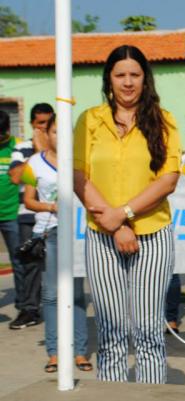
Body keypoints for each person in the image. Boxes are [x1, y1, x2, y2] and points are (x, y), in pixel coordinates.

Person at [73, 45, 182, 383]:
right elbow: (79, 176)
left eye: (135, 75)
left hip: (152, 234)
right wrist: (114, 223)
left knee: (149, 329)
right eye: (120, 75)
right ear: (109, 79)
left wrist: (124, 214)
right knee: (111, 330)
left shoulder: (163, 121)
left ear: (145, 80)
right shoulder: (90, 119)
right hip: (102, 235)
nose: (128, 82)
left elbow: (168, 179)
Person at [21, 115, 91, 373]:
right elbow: (29, 201)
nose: (60, 137)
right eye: (55, 132)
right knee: (51, 294)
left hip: (77, 232)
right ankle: (54, 352)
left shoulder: (81, 163)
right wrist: (51, 206)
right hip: (49, 231)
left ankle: (80, 351)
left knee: (76, 293)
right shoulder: (33, 165)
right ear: (46, 134)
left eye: (65, 132)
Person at [7, 103, 54, 330]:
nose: (44, 129)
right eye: (40, 124)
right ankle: (29, 310)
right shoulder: (23, 148)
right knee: (29, 262)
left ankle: (61, 305)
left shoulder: (63, 148)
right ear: (32, 124)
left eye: (48, 123)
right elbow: (16, 177)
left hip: (57, 215)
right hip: (28, 214)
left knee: (59, 262)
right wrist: (38, 153)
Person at [0, 111, 28, 326]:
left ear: (8, 130)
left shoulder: (19, 147)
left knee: (19, 261)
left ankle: (23, 306)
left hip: (12, 214)